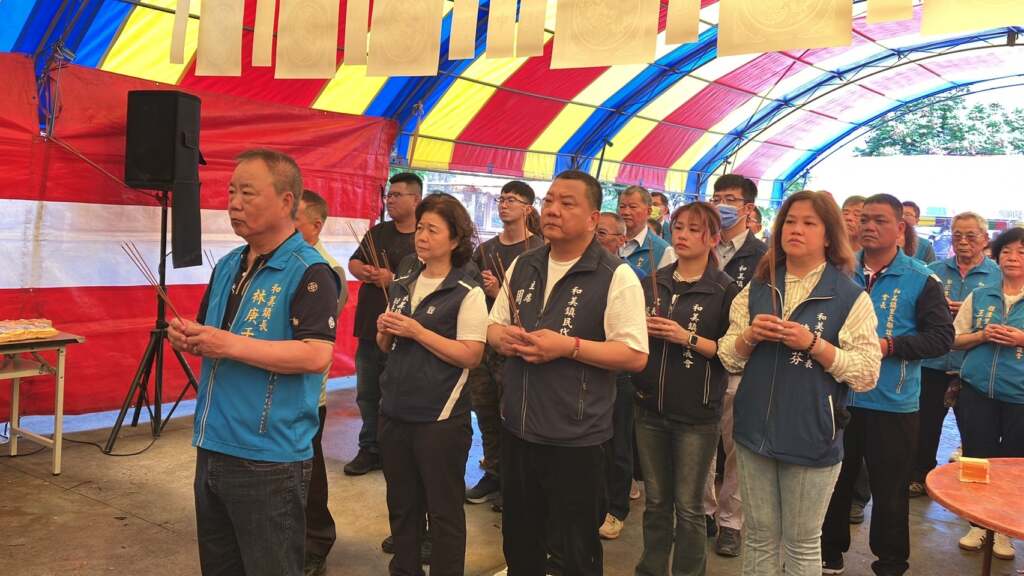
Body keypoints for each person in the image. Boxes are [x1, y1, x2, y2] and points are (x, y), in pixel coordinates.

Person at [168, 149, 340, 576]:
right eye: (231, 192)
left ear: (286, 201)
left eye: (247, 193)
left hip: (268, 456)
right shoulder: (229, 264)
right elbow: (215, 332)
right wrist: (190, 337)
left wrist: (226, 344)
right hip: (213, 441)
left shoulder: (310, 271)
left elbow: (316, 354)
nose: (234, 203)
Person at [488, 170, 649, 576]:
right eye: (549, 201)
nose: (553, 210)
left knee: (575, 550)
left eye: (567, 203)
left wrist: (568, 346)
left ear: (593, 219)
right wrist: (501, 338)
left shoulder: (615, 275)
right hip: (518, 427)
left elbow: (634, 354)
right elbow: (493, 326)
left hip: (576, 437)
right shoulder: (523, 264)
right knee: (520, 542)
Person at [718, 190, 881, 576]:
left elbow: (866, 373)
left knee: (802, 541)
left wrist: (814, 344)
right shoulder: (759, 287)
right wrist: (750, 336)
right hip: (754, 430)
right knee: (758, 536)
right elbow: (728, 356)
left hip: (812, 434)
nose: (796, 229)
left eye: (809, 223)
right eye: (790, 221)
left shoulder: (850, 296)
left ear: (828, 236)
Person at [821, 194, 954, 576]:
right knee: (833, 482)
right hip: (841, 397)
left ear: (899, 229)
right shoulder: (840, 271)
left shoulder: (921, 278)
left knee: (891, 491)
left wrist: (888, 346)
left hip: (893, 403)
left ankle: (891, 563)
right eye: (864, 219)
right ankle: (829, 554)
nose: (869, 226)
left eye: (879, 220)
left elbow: (941, 338)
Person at [375, 193, 487, 576]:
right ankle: (404, 569)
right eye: (420, 228)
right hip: (394, 410)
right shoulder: (405, 280)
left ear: (455, 239)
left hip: (440, 418)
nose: (421, 236)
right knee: (402, 504)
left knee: (443, 509)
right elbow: (385, 345)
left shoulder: (467, 291)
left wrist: (418, 331)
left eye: (432, 230)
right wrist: (385, 330)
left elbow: (471, 355)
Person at [633, 202, 740, 575]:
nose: (682, 235)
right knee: (656, 502)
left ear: (713, 239)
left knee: (690, 506)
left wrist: (686, 337)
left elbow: (731, 354)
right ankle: (651, 569)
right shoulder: (654, 281)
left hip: (697, 413)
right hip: (649, 406)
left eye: (694, 229)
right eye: (678, 227)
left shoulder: (725, 290)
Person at [465, 181, 545, 505]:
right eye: (501, 199)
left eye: (511, 200)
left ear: (528, 208)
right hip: (483, 340)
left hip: (517, 345)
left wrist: (499, 293)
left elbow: (540, 305)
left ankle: (512, 480)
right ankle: (493, 471)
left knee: (511, 413)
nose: (504, 204)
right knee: (484, 408)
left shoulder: (539, 250)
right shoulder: (485, 249)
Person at [912, 212, 1000, 498]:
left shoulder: (998, 275)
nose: (963, 241)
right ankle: (919, 477)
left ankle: (973, 491)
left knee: (976, 433)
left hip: (973, 367)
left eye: (971, 236)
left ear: (985, 239)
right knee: (925, 426)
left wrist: (968, 309)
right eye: (957, 235)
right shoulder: (932, 271)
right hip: (933, 362)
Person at [949, 226, 1024, 561]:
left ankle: (1005, 530)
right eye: (1007, 251)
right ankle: (978, 524)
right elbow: (954, 339)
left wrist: (1020, 339)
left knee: (1014, 463)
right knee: (977, 456)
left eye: (1021, 252)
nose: (1013, 258)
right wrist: (981, 336)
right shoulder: (980, 294)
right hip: (977, 390)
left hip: (1020, 396)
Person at [704, 174, 768, 557]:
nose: (721, 205)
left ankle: (731, 522)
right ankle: (704, 512)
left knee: (737, 448)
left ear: (748, 209)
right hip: (699, 359)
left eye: (729, 199)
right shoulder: (702, 244)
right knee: (700, 443)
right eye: (716, 198)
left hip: (741, 365)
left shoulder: (763, 256)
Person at [345, 173, 422, 475]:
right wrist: (363, 271)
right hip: (370, 326)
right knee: (367, 393)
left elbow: (431, 278)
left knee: (399, 393)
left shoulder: (423, 236)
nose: (389, 200)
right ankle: (370, 447)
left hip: (404, 331)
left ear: (415, 199)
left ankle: (396, 450)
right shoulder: (378, 232)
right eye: (389, 195)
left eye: (397, 195)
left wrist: (393, 279)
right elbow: (354, 261)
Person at [294, 189, 350, 576]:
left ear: (316, 225)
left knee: (308, 470)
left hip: (306, 391)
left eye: (293, 219)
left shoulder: (326, 271)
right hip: (275, 387)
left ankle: (316, 541)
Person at [591, 211, 643, 541]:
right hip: (585, 371)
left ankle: (616, 508)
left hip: (618, 373)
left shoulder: (631, 276)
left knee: (618, 444)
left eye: (602, 233)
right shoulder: (586, 274)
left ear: (621, 240)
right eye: (595, 233)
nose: (596, 239)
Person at [619, 185, 675, 277]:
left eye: (633, 207)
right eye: (622, 207)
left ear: (649, 211)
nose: (626, 212)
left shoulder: (663, 251)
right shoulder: (608, 239)